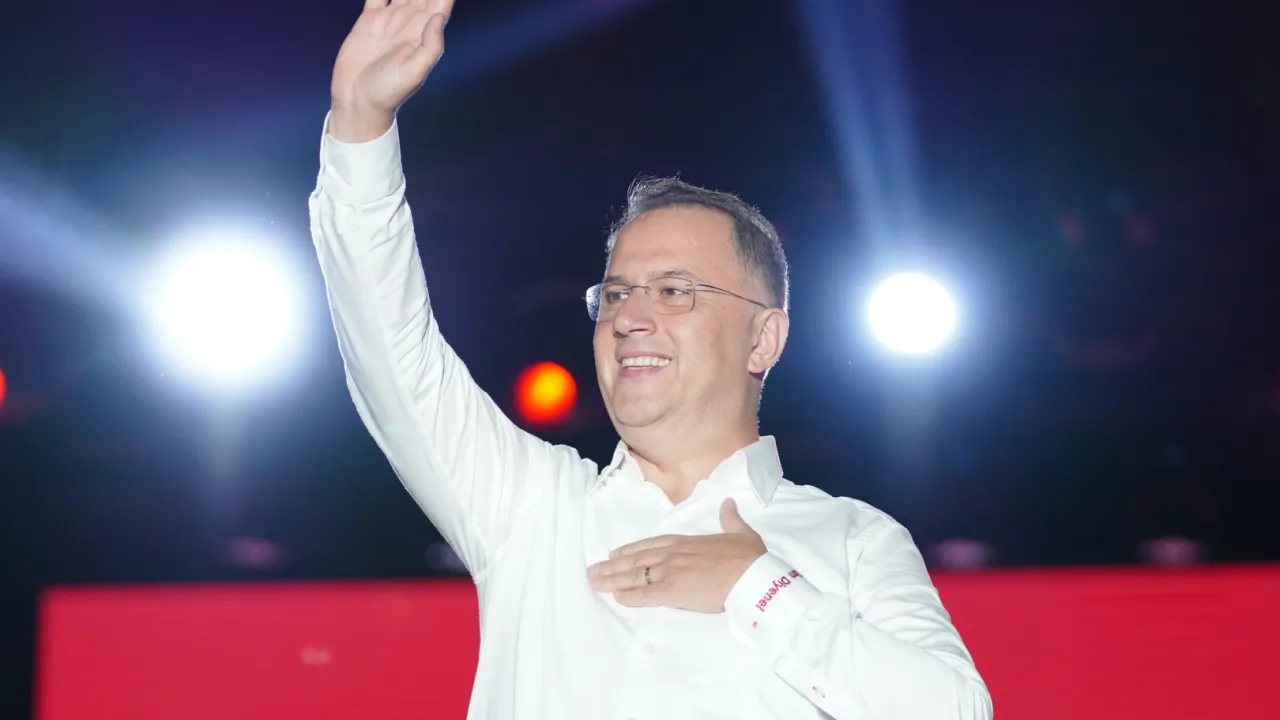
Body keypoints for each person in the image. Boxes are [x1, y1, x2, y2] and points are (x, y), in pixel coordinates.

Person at [309, 0, 992, 717]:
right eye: (617, 293)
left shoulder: (854, 540)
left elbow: (957, 711)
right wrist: (360, 125)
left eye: (673, 291)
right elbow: (392, 352)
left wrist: (761, 587)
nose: (630, 318)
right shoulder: (534, 506)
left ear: (764, 338)